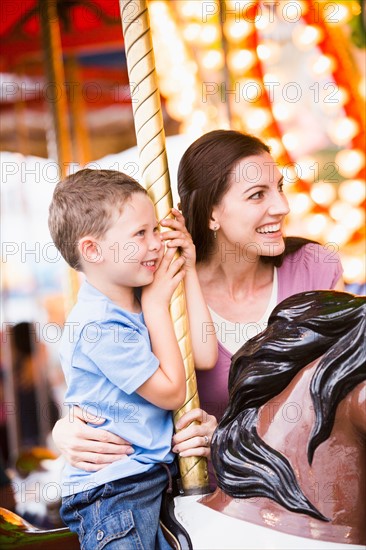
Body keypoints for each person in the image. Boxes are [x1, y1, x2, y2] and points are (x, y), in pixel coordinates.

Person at [52, 130, 344, 478]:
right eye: (256, 195)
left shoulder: (316, 270)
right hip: (219, 503)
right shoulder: (157, 289)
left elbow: (350, 393)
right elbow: (99, 382)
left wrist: (228, 438)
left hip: (320, 486)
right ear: (211, 215)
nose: (282, 207)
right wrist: (66, 428)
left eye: (279, 188)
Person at [47, 169, 217, 549]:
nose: (156, 243)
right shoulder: (99, 325)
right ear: (92, 250)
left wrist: (186, 271)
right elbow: (174, 392)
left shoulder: (139, 300)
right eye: (140, 234)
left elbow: (203, 354)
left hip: (153, 478)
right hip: (112, 492)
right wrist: (157, 305)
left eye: (156, 230)